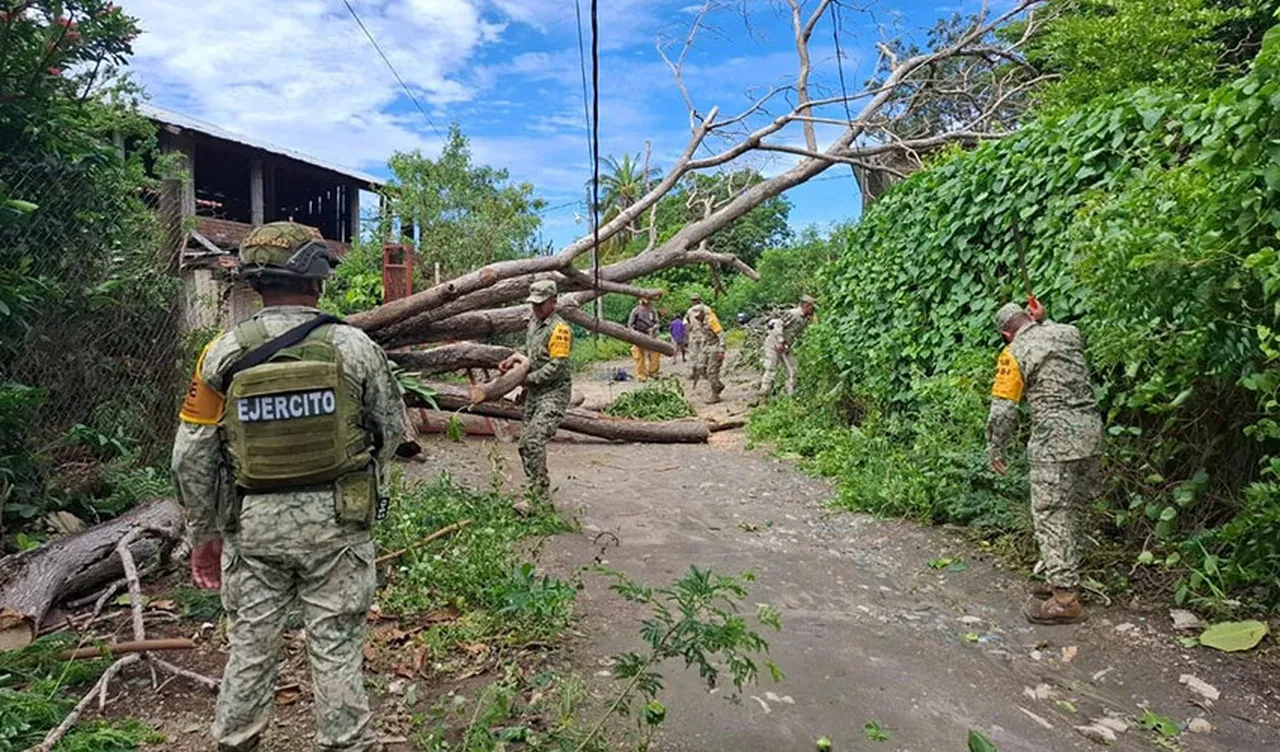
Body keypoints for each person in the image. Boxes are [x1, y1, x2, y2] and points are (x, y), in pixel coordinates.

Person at [171, 222, 405, 752]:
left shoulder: (220, 353)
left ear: (255, 282)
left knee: (250, 647)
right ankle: (346, 743)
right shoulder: (355, 346)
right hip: (338, 526)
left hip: (252, 530)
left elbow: (190, 456)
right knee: (336, 646)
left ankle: (235, 742)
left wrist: (203, 534)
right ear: (318, 278)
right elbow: (391, 433)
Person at [986, 302, 1103, 625]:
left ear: (1005, 334)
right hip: (1091, 435)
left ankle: (1065, 600)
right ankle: (1062, 576)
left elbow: (1004, 411)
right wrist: (1045, 319)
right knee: (1077, 510)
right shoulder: (1069, 333)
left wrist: (996, 448)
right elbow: (1053, 332)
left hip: (1054, 442)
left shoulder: (1013, 352)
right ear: (1031, 317)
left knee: (1052, 514)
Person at [500, 280, 573, 505]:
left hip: (553, 392)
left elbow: (556, 366)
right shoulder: (534, 322)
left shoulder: (559, 330)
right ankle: (535, 490)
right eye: (534, 304)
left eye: (540, 304)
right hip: (535, 393)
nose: (536, 308)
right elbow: (531, 352)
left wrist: (526, 379)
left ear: (554, 302)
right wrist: (514, 358)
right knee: (524, 444)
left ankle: (538, 500)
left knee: (533, 441)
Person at [758, 295, 816, 400]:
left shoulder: (805, 319)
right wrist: (780, 341)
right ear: (806, 305)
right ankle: (764, 396)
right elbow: (778, 324)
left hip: (786, 345)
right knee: (771, 368)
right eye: (812, 307)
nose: (814, 310)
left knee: (793, 370)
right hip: (774, 342)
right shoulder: (793, 314)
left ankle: (789, 396)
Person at [685, 293, 726, 403]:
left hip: (715, 347)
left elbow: (721, 334)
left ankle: (715, 394)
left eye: (698, 316)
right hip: (706, 345)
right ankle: (717, 385)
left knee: (712, 371)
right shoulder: (694, 314)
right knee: (700, 367)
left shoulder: (711, 320)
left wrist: (721, 350)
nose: (697, 318)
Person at [626, 297, 661, 381]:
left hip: (652, 335)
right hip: (639, 335)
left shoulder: (652, 310)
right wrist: (635, 334)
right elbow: (630, 325)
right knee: (639, 355)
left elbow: (657, 323)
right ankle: (641, 375)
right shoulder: (636, 310)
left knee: (655, 353)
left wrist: (653, 328)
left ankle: (653, 372)